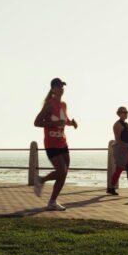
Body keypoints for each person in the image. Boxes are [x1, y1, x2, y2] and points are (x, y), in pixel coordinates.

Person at [33, 78, 78, 211]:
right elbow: (37, 122)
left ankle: (52, 201)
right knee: (61, 171)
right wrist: (54, 124)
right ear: (52, 89)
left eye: (62, 86)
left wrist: (72, 123)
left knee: (63, 173)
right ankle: (41, 180)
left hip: (63, 142)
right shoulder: (49, 104)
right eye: (58, 86)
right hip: (51, 143)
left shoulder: (63, 104)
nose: (61, 89)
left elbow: (64, 119)